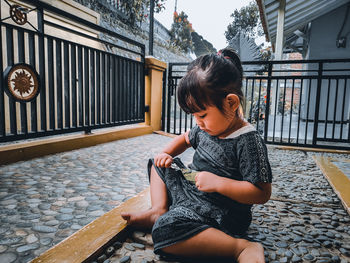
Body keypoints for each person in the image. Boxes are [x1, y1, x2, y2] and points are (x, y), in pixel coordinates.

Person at [121, 47, 272, 263]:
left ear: (231, 103)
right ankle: (158, 209)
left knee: (166, 230)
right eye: (194, 116)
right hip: (194, 188)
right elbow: (184, 139)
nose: (198, 122)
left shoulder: (248, 140)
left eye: (202, 114)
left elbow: (261, 193)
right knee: (159, 164)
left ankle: (240, 247)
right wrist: (165, 154)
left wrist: (219, 183)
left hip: (221, 210)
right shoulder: (204, 128)